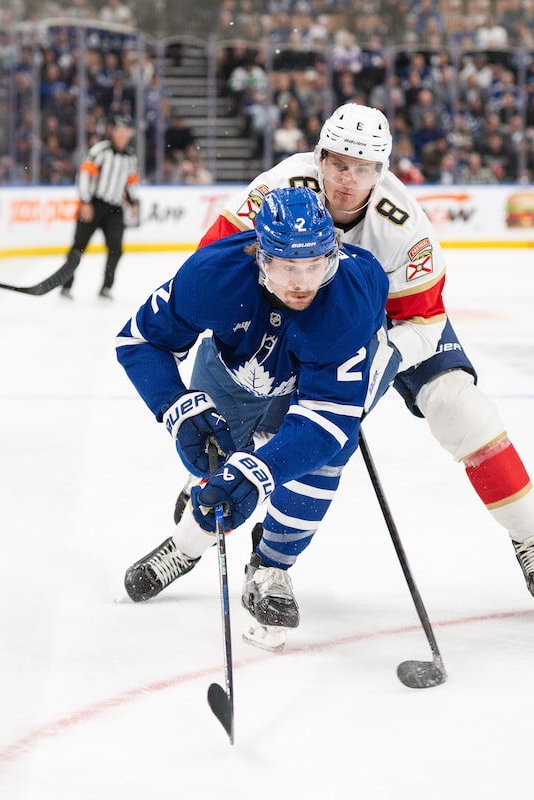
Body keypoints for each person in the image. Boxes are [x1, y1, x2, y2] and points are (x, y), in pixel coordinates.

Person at [196, 103, 534, 608]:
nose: (348, 180)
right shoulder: (277, 189)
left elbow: (425, 321)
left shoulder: (404, 226)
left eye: (363, 168)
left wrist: (379, 358)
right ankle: (205, 525)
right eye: (339, 164)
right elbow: (213, 263)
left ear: (382, 171)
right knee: (283, 429)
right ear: (319, 158)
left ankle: (530, 536)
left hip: (394, 323)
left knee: (458, 405)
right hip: (300, 312)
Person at [117, 187, 395, 650]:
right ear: (260, 257)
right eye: (287, 267)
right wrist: (176, 407)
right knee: (213, 461)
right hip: (234, 366)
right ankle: (185, 547)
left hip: (315, 373)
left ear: (333, 255)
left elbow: (328, 418)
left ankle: (271, 566)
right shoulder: (213, 274)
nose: (302, 283)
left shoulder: (350, 294)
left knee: (324, 458)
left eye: (315, 265)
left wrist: (262, 471)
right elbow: (140, 340)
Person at [58, 115, 140, 300]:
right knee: (78, 246)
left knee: (116, 249)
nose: (122, 135)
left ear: (129, 134)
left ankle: (106, 287)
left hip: (115, 209)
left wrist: (133, 202)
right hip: (95, 204)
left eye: (125, 131)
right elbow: (84, 175)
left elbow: (130, 183)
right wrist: (86, 202)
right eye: (118, 131)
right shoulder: (100, 151)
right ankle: (66, 285)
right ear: (113, 132)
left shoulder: (131, 157)